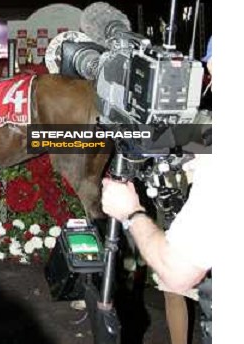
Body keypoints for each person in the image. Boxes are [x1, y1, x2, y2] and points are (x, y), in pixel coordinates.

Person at [101, 37, 213, 343]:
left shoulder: (202, 122)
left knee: (174, 283)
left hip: (174, 220)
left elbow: (176, 271)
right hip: (171, 205)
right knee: (173, 292)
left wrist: (131, 213)